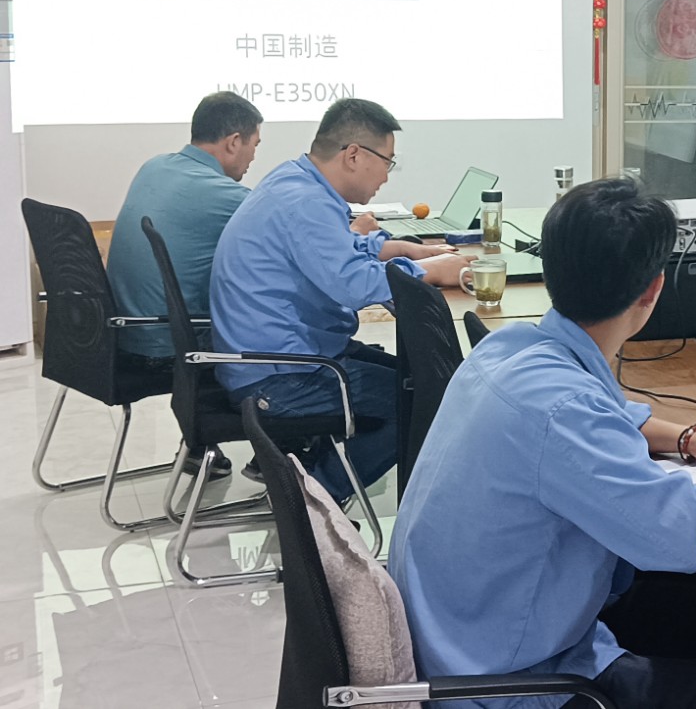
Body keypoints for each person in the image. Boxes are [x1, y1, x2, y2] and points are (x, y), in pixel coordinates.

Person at [393, 176, 696, 709]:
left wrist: (688, 439)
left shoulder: (509, 348)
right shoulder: (563, 411)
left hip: (459, 638)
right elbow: (680, 537)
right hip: (515, 684)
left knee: (686, 605)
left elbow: (601, 418)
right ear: (653, 290)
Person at [210, 98, 469, 503]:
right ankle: (312, 499)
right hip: (279, 377)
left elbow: (334, 250)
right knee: (426, 398)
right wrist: (431, 271)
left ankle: (312, 476)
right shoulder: (306, 201)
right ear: (353, 155)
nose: (387, 175)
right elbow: (353, 285)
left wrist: (397, 249)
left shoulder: (296, 181)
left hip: (283, 357)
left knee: (425, 377)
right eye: (388, 162)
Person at [105, 92, 262, 477]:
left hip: (118, 334)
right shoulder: (225, 194)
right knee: (279, 326)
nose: (254, 158)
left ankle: (199, 446)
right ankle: (287, 450)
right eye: (255, 146)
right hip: (166, 346)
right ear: (233, 142)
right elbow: (292, 240)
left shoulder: (154, 167)